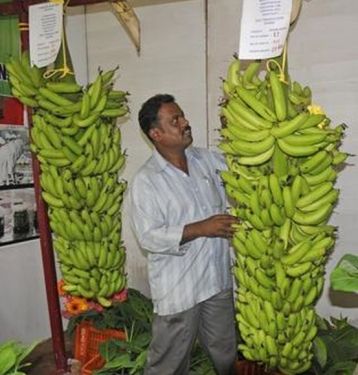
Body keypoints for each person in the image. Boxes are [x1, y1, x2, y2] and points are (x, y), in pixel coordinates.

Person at [130, 94, 239, 375]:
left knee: (225, 354)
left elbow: (244, 174)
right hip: (180, 287)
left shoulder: (208, 160)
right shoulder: (147, 181)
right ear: (156, 134)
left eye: (182, 116)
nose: (185, 123)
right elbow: (149, 237)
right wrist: (202, 228)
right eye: (175, 120)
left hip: (216, 280)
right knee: (169, 363)